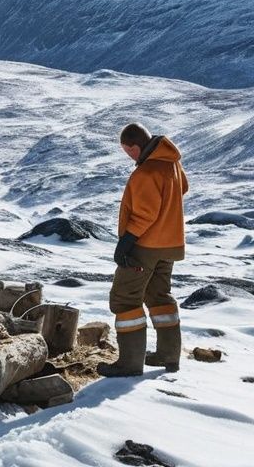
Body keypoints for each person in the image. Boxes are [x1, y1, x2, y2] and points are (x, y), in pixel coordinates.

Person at [99, 122, 188, 377]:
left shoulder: (146, 173)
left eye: (128, 151)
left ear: (136, 147)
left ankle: (130, 363)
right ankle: (168, 355)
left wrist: (125, 242)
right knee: (159, 295)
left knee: (124, 298)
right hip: (169, 243)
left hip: (145, 245)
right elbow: (183, 187)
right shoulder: (171, 163)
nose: (128, 156)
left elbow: (145, 215)